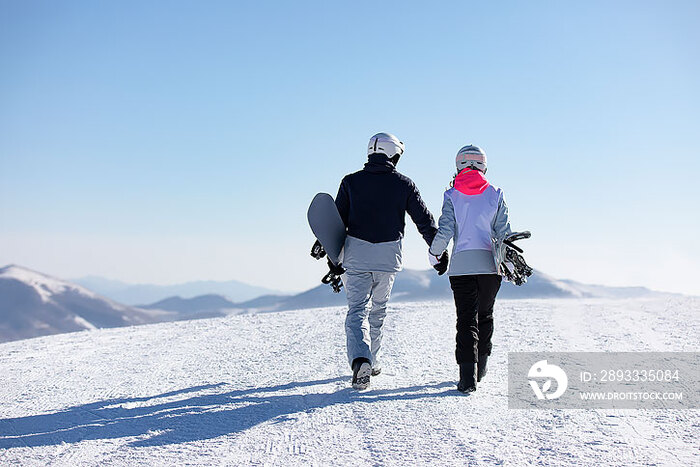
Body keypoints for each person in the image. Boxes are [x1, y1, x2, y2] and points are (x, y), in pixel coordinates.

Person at [316, 132, 444, 390]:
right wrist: (438, 250)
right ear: (393, 153)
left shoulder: (350, 182)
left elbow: (335, 222)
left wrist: (329, 253)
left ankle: (360, 360)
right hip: (388, 258)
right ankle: (372, 362)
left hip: (357, 257)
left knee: (356, 312)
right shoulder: (404, 184)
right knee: (378, 310)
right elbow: (425, 221)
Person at [428, 145, 511, 393]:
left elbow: (445, 230)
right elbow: (503, 233)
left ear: (458, 166)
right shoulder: (495, 194)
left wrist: (434, 253)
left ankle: (467, 379)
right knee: (484, 316)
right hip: (489, 267)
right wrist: (506, 262)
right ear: (484, 165)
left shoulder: (452, 195)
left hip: (461, 267)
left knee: (466, 321)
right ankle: (481, 369)